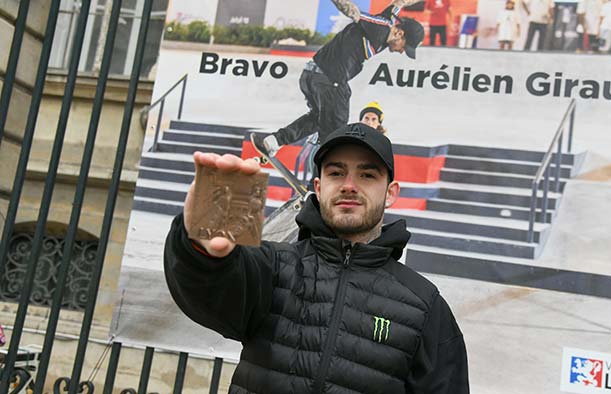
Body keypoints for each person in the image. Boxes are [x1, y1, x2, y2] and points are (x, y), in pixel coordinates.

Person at [164, 123, 470, 393]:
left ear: (390, 193)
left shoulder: (425, 305)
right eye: (336, 173)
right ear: (319, 188)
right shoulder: (273, 266)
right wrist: (199, 248)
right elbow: (206, 289)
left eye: (367, 174)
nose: (349, 185)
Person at [254, 0, 425, 159]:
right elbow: (353, 13)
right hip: (331, 80)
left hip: (311, 75)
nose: (402, 51)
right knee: (334, 136)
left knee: (317, 118)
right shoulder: (380, 27)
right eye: (405, 47)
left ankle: (275, 141)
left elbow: (399, 2)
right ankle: (320, 183)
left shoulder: (389, 19)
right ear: (399, 34)